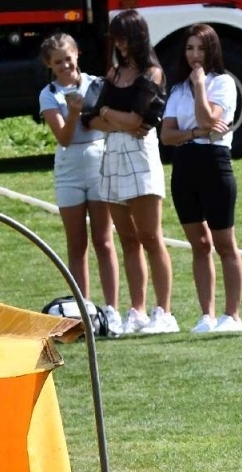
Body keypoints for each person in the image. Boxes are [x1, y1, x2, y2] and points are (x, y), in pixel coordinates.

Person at [85, 9, 177, 335]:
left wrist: (109, 113)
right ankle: (136, 311)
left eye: (124, 37)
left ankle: (163, 311)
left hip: (140, 155)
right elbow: (91, 118)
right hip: (112, 154)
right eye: (116, 37)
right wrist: (113, 116)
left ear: (137, 37)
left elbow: (139, 121)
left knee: (151, 236)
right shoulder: (112, 74)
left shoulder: (152, 74)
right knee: (127, 239)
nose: (119, 44)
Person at [162, 24, 242, 334]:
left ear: (212, 50)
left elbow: (211, 118)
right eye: (189, 49)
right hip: (185, 164)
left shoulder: (222, 83)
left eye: (200, 48)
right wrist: (195, 133)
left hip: (214, 163)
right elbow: (167, 135)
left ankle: (232, 315)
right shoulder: (177, 89)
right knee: (198, 243)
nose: (195, 55)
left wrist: (199, 86)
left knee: (224, 243)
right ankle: (206, 315)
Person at [39, 33, 123, 338]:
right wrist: (74, 112)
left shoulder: (96, 84)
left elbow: (108, 122)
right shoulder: (48, 94)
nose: (64, 65)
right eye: (57, 61)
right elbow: (63, 137)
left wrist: (85, 114)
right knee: (77, 244)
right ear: (49, 64)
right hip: (69, 168)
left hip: (100, 162)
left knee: (104, 240)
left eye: (68, 58)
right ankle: (84, 310)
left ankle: (111, 310)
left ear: (77, 54)